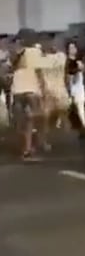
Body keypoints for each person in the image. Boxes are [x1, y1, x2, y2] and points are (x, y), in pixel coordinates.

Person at [10, 31, 46, 161]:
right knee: (32, 119)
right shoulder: (35, 52)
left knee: (22, 121)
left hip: (18, 89)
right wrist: (43, 87)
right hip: (31, 89)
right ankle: (29, 148)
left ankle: (26, 148)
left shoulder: (14, 51)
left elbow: (11, 68)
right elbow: (40, 71)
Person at [65, 40, 85, 129]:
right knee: (70, 106)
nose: (73, 50)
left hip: (79, 86)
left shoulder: (78, 61)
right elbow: (69, 76)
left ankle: (83, 125)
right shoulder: (67, 62)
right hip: (72, 86)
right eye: (70, 48)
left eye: (74, 48)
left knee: (80, 106)